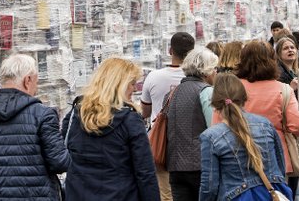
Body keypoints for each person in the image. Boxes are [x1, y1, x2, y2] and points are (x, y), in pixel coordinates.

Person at [0, 54, 69, 200]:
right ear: (27, 80)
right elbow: (60, 163)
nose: (36, 88)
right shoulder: (43, 115)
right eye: (36, 81)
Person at [62, 58, 160, 201]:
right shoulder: (130, 120)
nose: (134, 89)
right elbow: (145, 172)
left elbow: (64, 155)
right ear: (119, 85)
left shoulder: (75, 115)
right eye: (132, 83)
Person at [199, 74, 292, 201]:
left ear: (215, 103)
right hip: (273, 194)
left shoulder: (211, 137)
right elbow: (280, 166)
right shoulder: (265, 125)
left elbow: (210, 186)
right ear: (244, 98)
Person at [234, 41, 299, 197]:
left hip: (240, 155)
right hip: (277, 157)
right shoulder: (283, 89)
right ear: (272, 60)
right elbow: (298, 125)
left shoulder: (233, 89)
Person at [141, 32, 195, 201]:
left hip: (161, 142)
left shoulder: (153, 77)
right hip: (190, 145)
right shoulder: (197, 78)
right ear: (192, 52)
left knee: (165, 194)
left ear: (170, 50)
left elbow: (145, 113)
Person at [166, 48, 219, 201]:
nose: (216, 72)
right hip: (201, 165)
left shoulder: (173, 92)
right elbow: (214, 130)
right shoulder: (206, 92)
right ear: (206, 71)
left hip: (175, 165)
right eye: (214, 68)